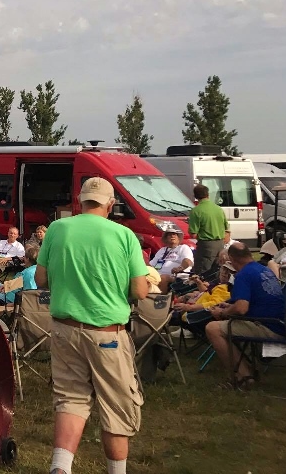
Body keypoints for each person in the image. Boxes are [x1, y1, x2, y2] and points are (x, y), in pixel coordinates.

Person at [35, 177, 150, 474]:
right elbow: (139, 291)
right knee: (116, 406)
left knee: (70, 399)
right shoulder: (124, 235)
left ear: (80, 201)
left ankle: (60, 468)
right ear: (110, 205)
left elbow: (41, 279)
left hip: (64, 328)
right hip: (107, 333)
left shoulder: (58, 229)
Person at [206, 243, 286, 390]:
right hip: (283, 323)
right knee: (228, 322)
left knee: (213, 328)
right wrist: (230, 306)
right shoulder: (263, 270)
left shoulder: (243, 274)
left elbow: (242, 308)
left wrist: (222, 312)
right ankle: (246, 369)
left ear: (231, 259)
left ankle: (243, 377)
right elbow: (253, 302)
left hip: (269, 326)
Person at [189, 184, 228, 273]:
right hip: (220, 244)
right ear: (208, 195)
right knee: (217, 271)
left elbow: (193, 234)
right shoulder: (218, 209)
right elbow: (226, 228)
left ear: (195, 196)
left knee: (203, 272)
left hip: (206, 246)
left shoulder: (196, 211)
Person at [149, 227, 194, 293]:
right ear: (166, 239)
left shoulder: (183, 248)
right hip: (158, 274)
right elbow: (151, 265)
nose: (172, 236)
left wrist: (179, 268)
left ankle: (161, 299)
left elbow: (188, 261)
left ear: (178, 238)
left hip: (176, 276)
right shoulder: (162, 250)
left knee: (163, 278)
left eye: (175, 234)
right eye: (170, 235)